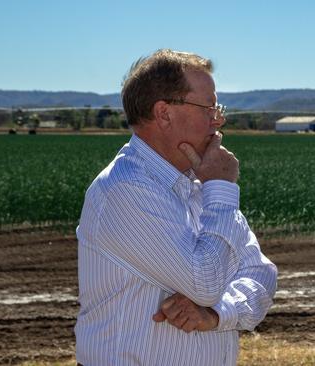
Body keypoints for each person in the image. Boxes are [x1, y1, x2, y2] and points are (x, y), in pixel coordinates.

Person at [75, 49, 277, 365]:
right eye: (209, 107)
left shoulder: (199, 183)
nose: (218, 120)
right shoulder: (125, 189)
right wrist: (221, 188)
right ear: (164, 113)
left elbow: (261, 274)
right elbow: (205, 283)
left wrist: (217, 314)